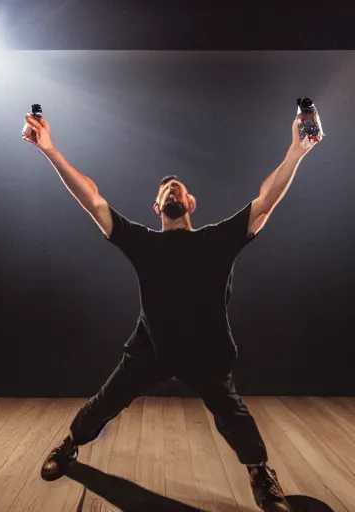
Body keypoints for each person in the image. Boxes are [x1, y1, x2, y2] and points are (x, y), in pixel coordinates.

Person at [21, 110, 322, 512]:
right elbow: (94, 201)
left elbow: (265, 202)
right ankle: (70, 445)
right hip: (151, 349)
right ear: (156, 205)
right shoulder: (143, 242)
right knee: (104, 403)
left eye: (178, 189)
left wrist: (297, 150)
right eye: (167, 191)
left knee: (235, 417)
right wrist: (50, 151)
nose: (173, 193)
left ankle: (260, 474)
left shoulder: (216, 241)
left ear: (190, 202)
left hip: (207, 354)